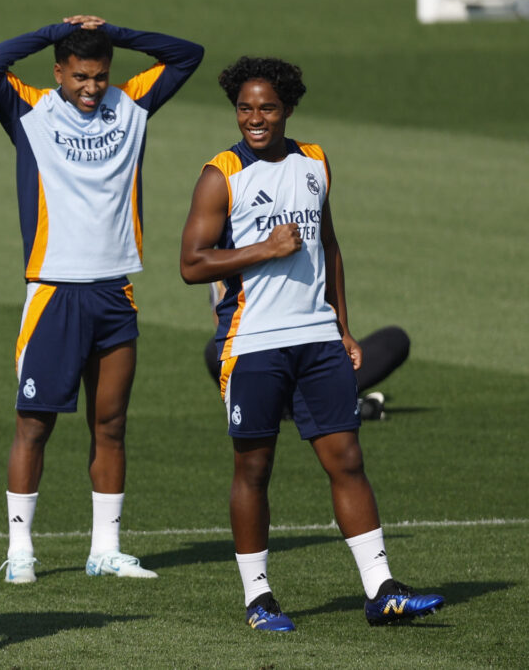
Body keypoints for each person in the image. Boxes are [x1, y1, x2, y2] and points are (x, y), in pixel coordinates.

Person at [179, 56, 444, 630]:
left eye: (267, 107)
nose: (255, 118)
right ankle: (258, 599)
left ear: (288, 108)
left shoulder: (315, 161)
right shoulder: (219, 174)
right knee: (254, 467)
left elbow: (329, 245)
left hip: (318, 339)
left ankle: (382, 590)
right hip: (252, 343)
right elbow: (191, 264)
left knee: (346, 457)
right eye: (245, 108)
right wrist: (262, 251)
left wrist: (344, 326)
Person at [0, 15, 204, 583]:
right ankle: (21, 551)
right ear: (57, 72)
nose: (91, 88)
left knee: (112, 423)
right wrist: (53, 29)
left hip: (115, 289)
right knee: (35, 424)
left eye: (99, 76)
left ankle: (106, 550)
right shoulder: (31, 110)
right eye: (79, 77)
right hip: (53, 290)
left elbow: (188, 54)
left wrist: (116, 32)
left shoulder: (133, 103)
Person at [202, 281, 410, 420]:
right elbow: (223, 326)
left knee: (394, 339)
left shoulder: (300, 234)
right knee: (216, 350)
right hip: (262, 356)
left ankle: (303, 404)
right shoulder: (227, 249)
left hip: (311, 353)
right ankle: (323, 403)